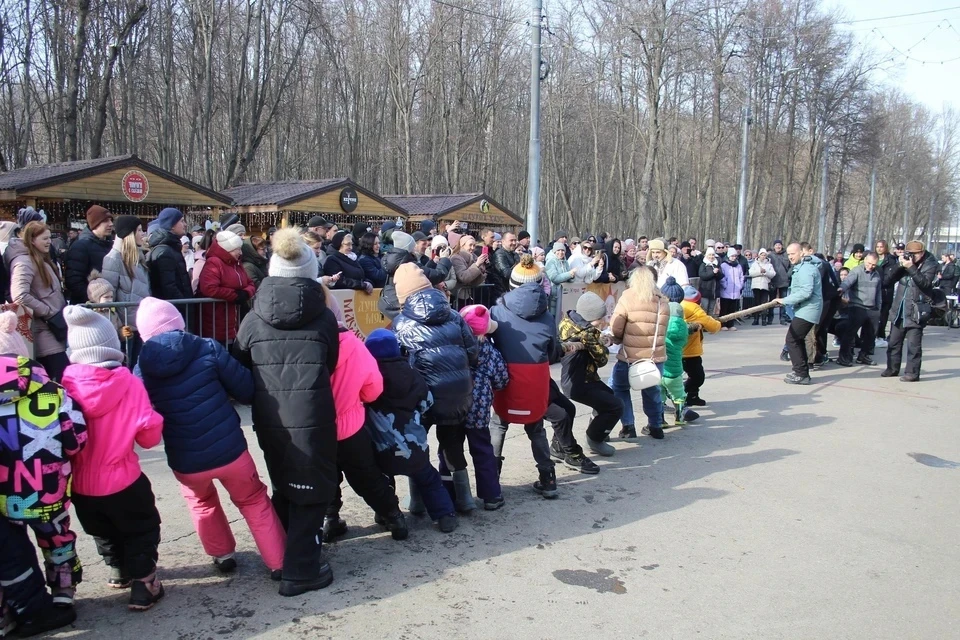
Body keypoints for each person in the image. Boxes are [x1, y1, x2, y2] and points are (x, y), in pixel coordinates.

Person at [134, 297, 284, 578]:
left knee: (201, 503)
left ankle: (222, 554)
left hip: (184, 458)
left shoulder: (142, 366)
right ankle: (279, 563)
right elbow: (245, 389)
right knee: (253, 500)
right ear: (179, 322)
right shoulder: (207, 348)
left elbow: (139, 409)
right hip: (230, 450)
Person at [231, 228, 339, 596]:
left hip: (270, 415)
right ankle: (301, 569)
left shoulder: (253, 318)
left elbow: (239, 358)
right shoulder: (324, 318)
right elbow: (333, 362)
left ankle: (281, 554)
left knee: (284, 482)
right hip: (313, 414)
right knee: (312, 487)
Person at [61, 306, 165, 611]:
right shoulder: (128, 382)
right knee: (141, 528)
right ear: (111, 344)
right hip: (123, 479)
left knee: (103, 530)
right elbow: (148, 436)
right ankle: (144, 584)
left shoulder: (65, 386)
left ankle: (118, 571)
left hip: (81, 484)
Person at [0, 311, 85, 608]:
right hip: (49, 489)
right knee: (56, 539)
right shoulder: (52, 391)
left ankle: (11, 605)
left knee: (8, 550)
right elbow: (76, 437)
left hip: (3, 495)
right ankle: (63, 591)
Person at [391, 263, 480, 509]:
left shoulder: (400, 324)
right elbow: (473, 353)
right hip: (458, 393)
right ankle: (464, 499)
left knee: (418, 446)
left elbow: (399, 367)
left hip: (422, 397)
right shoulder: (453, 315)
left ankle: (418, 501)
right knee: (452, 445)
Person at [324, 308, 408, 543]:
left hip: (316, 428)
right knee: (368, 476)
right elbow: (373, 388)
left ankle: (330, 520)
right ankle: (393, 516)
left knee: (326, 477)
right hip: (351, 425)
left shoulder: (307, 346)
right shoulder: (354, 344)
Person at [363, 329, 458, 533]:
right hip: (413, 445)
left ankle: (386, 513)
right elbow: (426, 403)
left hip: (380, 447)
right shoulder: (413, 374)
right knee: (429, 479)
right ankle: (444, 516)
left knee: (383, 481)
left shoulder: (368, 376)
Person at [489, 255, 563, 498]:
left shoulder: (497, 311)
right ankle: (547, 477)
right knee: (536, 426)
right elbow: (553, 352)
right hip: (535, 379)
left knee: (499, 424)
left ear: (511, 284)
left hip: (505, 378)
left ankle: (491, 482)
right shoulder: (548, 317)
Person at [557, 292, 623, 456]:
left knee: (608, 395)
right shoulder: (587, 334)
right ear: (590, 317)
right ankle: (594, 438)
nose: (602, 321)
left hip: (578, 379)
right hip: (580, 383)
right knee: (615, 406)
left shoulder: (567, 322)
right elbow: (602, 359)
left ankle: (597, 427)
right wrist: (599, 340)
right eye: (600, 318)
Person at [457, 305, 508, 510]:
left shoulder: (455, 347)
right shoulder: (489, 351)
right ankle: (491, 496)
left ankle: (454, 495)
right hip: (478, 410)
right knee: (482, 451)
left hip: (454, 406)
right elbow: (502, 380)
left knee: (449, 451)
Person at [609, 266, 670, 437]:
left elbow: (616, 327)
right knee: (652, 391)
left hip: (629, 356)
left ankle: (628, 426)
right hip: (654, 356)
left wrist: (620, 337)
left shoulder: (627, 297)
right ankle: (656, 425)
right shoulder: (662, 301)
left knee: (619, 388)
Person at [9, 222, 68, 380]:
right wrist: (48, 312)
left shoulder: (39, 258)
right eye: (45, 238)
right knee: (62, 376)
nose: (49, 241)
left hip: (52, 328)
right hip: (43, 329)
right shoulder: (24, 262)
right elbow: (20, 295)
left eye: (50, 237)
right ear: (32, 240)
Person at [882, 240, 939, 382]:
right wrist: (899, 266)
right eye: (910, 254)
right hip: (899, 308)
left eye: (915, 254)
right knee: (893, 343)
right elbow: (887, 281)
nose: (912, 257)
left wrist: (911, 267)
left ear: (922, 253)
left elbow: (925, 283)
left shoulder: (930, 264)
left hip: (916, 310)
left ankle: (912, 373)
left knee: (914, 346)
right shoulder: (905, 263)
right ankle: (892, 368)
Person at [102, 215, 151, 363]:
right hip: (126, 326)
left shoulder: (139, 256)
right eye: (139, 230)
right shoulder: (113, 259)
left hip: (141, 322)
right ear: (129, 234)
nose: (143, 234)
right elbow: (108, 296)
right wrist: (118, 326)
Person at [772, 243, 823, 385]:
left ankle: (801, 373)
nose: (790, 257)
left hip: (808, 310)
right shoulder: (801, 267)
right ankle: (802, 371)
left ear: (802, 253)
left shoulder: (806, 269)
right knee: (797, 339)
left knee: (792, 339)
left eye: (793, 254)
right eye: (788, 254)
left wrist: (784, 300)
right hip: (804, 309)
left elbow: (806, 292)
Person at [198, 230, 255, 345]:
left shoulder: (236, 264)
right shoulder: (214, 263)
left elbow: (251, 283)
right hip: (217, 320)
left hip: (235, 319)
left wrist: (246, 293)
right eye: (237, 249)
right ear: (227, 250)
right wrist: (235, 295)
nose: (240, 252)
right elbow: (209, 288)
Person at [837, 252, 882, 367]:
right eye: (869, 263)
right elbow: (847, 282)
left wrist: (878, 307)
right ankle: (844, 357)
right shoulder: (857, 271)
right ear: (865, 260)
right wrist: (841, 288)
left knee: (870, 334)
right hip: (858, 305)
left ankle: (863, 355)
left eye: (873, 264)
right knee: (850, 332)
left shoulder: (877, 274)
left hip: (872, 308)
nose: (871, 266)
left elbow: (878, 293)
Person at [680, 285, 721, 406]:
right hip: (689, 352)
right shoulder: (695, 309)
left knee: (677, 374)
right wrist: (718, 323)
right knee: (698, 377)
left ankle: (692, 395)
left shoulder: (678, 306)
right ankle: (683, 392)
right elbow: (713, 327)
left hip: (676, 350)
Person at [65, 205, 114, 303]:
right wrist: (93, 300)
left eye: (111, 220)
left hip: (107, 305)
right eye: (105, 221)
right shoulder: (80, 246)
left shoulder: (111, 245)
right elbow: (74, 281)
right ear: (95, 224)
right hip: (88, 307)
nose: (111, 224)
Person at [147, 208, 193, 303]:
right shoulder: (164, 252)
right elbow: (169, 287)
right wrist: (184, 305)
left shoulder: (171, 248)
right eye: (182, 221)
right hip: (174, 309)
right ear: (171, 225)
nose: (185, 224)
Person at [450, 235, 489, 305]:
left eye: (474, 245)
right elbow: (463, 277)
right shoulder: (456, 258)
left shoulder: (474, 257)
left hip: (469, 294)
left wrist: (482, 267)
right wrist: (477, 265)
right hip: (458, 295)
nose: (473, 248)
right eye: (470, 245)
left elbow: (475, 282)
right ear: (462, 245)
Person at [718, 248, 745, 330]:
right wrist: (725, 285)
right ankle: (723, 324)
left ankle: (731, 324)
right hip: (726, 290)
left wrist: (740, 285)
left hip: (735, 290)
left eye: (735, 256)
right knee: (724, 308)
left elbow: (741, 276)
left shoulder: (738, 265)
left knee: (732, 309)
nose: (733, 258)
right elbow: (722, 277)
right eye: (732, 256)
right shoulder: (724, 265)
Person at [749, 248, 776, 325]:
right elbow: (751, 273)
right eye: (762, 255)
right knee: (756, 303)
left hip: (765, 286)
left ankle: (764, 319)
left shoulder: (769, 265)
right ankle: (756, 319)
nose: (763, 256)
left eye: (764, 255)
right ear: (759, 255)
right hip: (756, 286)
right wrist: (760, 272)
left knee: (764, 303)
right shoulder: (754, 264)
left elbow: (773, 274)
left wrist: (765, 272)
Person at [768, 240, 791, 325]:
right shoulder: (770, 256)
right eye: (776, 245)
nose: (778, 246)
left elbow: (791, 266)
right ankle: (770, 318)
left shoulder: (786, 255)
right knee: (772, 301)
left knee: (783, 301)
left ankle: (782, 318)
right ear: (774, 247)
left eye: (779, 245)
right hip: (773, 281)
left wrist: (788, 275)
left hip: (784, 280)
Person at [491, 232, 521, 297]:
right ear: (503, 241)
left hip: (512, 290)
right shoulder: (499, 254)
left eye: (515, 240)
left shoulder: (515, 254)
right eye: (511, 240)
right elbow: (506, 274)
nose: (514, 243)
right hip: (501, 291)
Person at [698, 247, 721, 315]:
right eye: (709, 255)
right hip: (705, 291)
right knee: (704, 309)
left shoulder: (716, 264)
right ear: (706, 256)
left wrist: (717, 273)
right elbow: (703, 276)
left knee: (711, 310)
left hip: (714, 291)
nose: (711, 257)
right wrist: (713, 273)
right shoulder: (703, 265)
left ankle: (710, 324)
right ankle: (704, 324)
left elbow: (720, 276)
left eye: (713, 255)